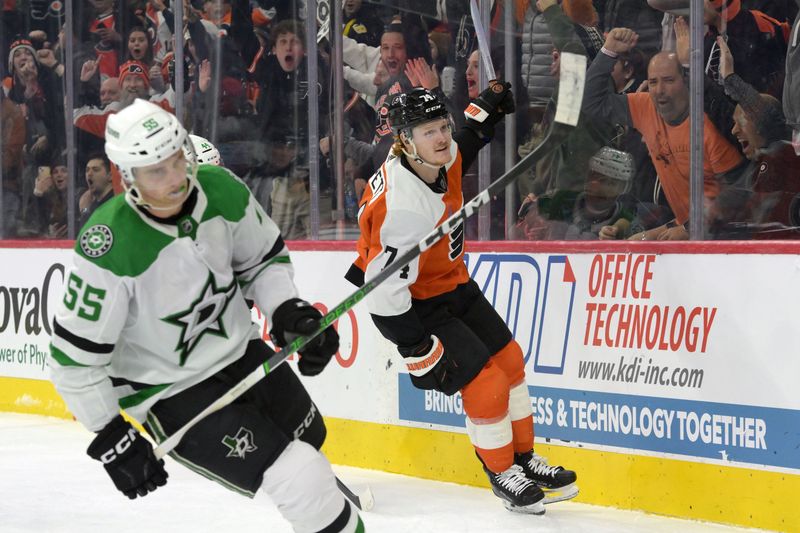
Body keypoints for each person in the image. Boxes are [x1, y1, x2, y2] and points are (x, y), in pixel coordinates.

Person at [48, 99, 362, 533]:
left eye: (177, 160)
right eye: (157, 171)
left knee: (310, 440)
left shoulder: (220, 187)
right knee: (298, 476)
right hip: (169, 391)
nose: (176, 179)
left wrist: (287, 311)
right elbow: (74, 360)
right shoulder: (108, 246)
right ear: (128, 177)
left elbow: (262, 261)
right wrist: (109, 438)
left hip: (241, 352)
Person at [345, 86, 578, 514]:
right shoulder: (402, 207)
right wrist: (415, 347)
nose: (440, 138)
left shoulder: (436, 154)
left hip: (453, 281)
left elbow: (461, 148)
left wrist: (485, 112)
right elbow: (381, 291)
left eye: (441, 127)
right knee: (485, 383)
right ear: (403, 140)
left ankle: (525, 461)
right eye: (427, 132)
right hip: (416, 302)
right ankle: (502, 473)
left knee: (510, 361)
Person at [582, 27, 745, 239]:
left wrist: (689, 230)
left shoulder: (707, 126)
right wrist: (608, 52)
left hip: (721, 238)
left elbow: (737, 197)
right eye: (653, 82)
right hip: (686, 226)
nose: (659, 90)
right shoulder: (645, 106)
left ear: (686, 81)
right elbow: (591, 103)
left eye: (668, 80)